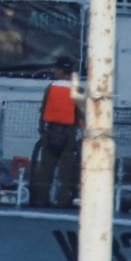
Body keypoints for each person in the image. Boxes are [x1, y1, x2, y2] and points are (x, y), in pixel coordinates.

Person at [31, 56, 82, 207]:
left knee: (46, 168)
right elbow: (80, 113)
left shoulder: (51, 88)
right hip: (70, 133)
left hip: (51, 132)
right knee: (67, 170)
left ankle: (41, 199)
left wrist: (42, 131)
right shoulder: (77, 89)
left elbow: (43, 110)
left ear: (60, 70)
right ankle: (63, 200)